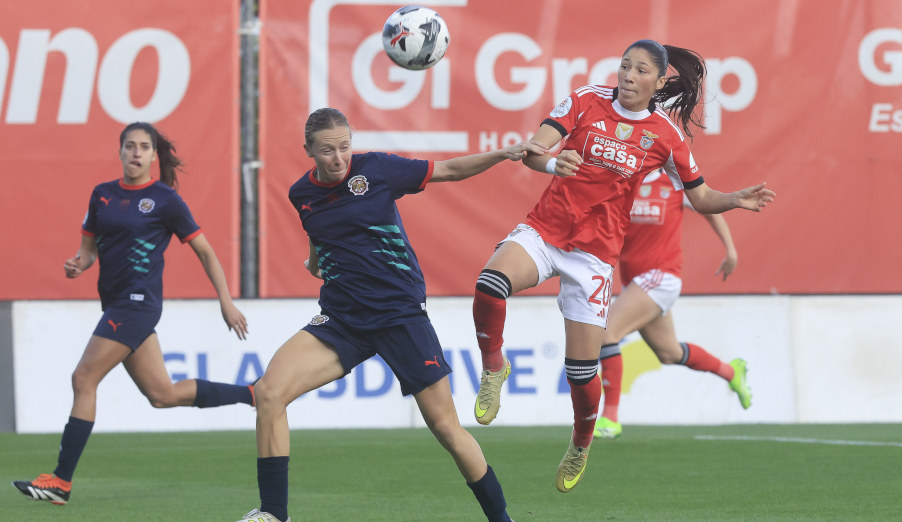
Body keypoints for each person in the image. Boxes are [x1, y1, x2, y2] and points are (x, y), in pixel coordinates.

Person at [470, 39, 776, 493]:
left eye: (640, 71)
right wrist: (554, 163)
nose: (628, 76)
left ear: (657, 82)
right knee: (490, 282)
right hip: (547, 231)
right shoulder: (583, 100)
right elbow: (534, 150)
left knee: (581, 370)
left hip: (594, 257)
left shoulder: (666, 136)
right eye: (624, 66)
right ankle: (494, 367)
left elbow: (701, 196)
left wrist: (733, 199)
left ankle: (580, 441)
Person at [235, 107, 546, 522]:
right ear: (308, 150)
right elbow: (319, 231)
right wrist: (314, 261)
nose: (339, 158)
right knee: (270, 394)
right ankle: (274, 514)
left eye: (345, 146)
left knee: (447, 430)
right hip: (342, 320)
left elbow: (449, 169)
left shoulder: (377, 169)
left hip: (400, 316)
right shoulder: (300, 194)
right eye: (327, 151)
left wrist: (504, 152)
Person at [12, 122, 253, 506]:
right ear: (120, 151)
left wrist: (225, 300)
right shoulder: (102, 196)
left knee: (83, 378)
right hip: (116, 303)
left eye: (144, 147)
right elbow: (88, 251)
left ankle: (60, 481)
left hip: (138, 303)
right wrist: (79, 264)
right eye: (130, 146)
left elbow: (205, 251)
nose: (137, 153)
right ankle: (252, 393)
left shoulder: (165, 200)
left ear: (155, 156)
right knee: (163, 394)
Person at [593, 168, 751, 440]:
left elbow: (709, 206)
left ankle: (610, 418)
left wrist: (731, 250)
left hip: (662, 277)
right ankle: (731, 371)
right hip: (636, 282)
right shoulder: (623, 181)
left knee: (606, 333)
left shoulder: (675, 183)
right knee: (669, 353)